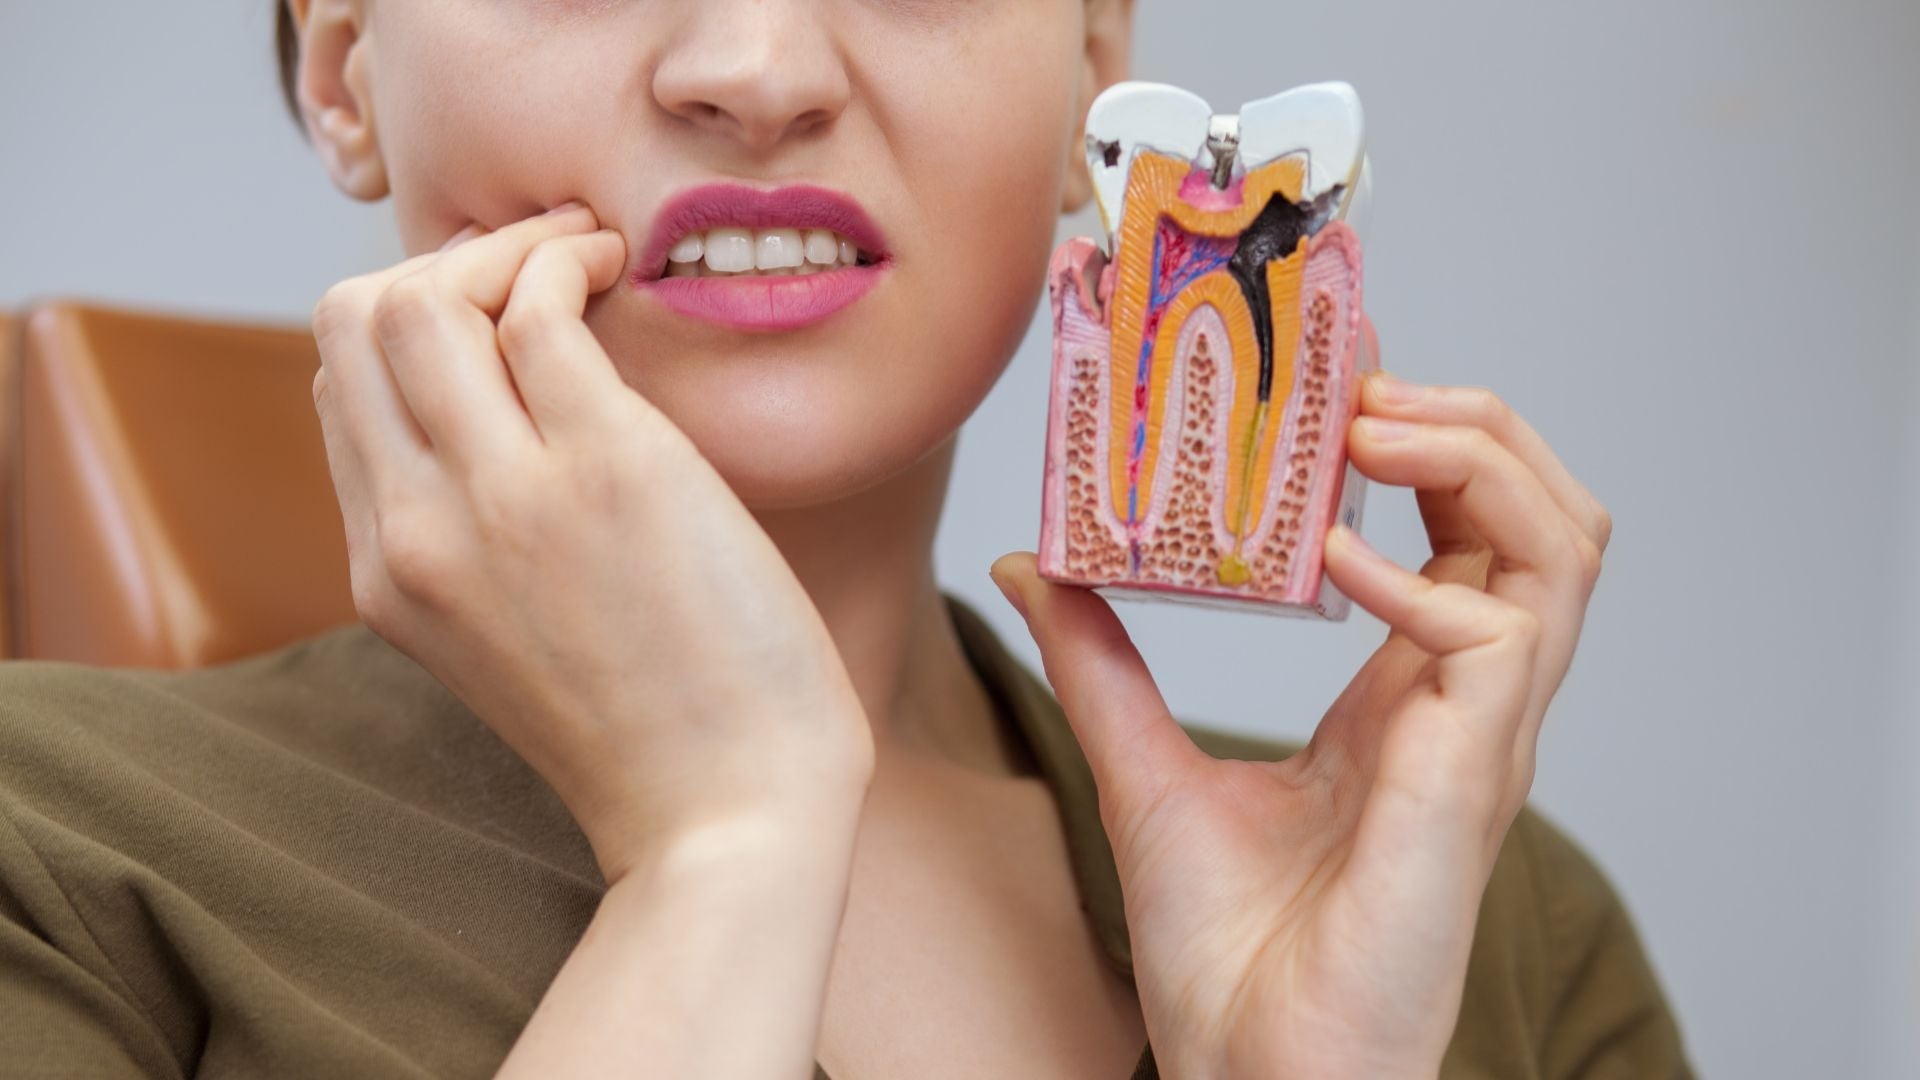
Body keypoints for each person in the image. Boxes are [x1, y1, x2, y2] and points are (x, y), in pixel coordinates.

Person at [0, 1, 1694, 1076]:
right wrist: (721, 853)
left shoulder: (1482, 913)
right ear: (342, 65)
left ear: (1099, 71)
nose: (757, 68)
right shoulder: (47, 856)